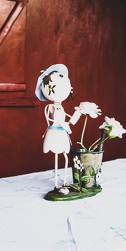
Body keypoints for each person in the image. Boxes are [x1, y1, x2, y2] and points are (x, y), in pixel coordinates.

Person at [36, 64, 81, 193]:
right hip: (55, 133)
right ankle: (56, 184)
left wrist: (78, 113)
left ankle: (65, 182)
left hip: (62, 133)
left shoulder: (61, 107)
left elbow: (69, 120)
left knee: (65, 156)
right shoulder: (50, 107)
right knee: (56, 157)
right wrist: (65, 124)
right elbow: (52, 120)